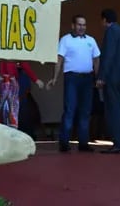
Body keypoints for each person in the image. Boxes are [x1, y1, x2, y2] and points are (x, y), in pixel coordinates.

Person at [47, 14, 101, 153]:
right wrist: (55, 77)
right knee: (70, 109)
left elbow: (96, 60)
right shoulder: (65, 40)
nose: (82, 27)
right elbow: (59, 59)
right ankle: (64, 143)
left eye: (84, 25)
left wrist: (98, 77)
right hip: (72, 78)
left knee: (85, 111)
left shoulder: (91, 40)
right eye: (79, 24)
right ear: (73, 25)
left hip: (88, 79)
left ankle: (83, 143)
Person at [96, 9, 120, 154]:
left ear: (105, 20)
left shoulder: (111, 32)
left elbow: (108, 55)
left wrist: (101, 77)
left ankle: (119, 143)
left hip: (113, 78)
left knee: (113, 111)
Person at [0, 61, 44, 130]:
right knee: (1, 108)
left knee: (12, 109)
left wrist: (35, 79)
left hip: (11, 81)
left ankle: (12, 131)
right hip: (2, 80)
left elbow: (23, 63)